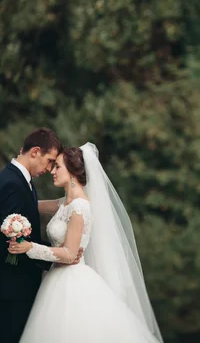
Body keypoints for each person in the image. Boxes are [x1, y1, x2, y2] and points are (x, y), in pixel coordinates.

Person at [9, 143, 163, 342]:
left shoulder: (79, 207)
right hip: (55, 278)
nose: (53, 171)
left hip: (72, 281)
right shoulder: (64, 203)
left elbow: (70, 254)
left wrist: (30, 248)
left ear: (72, 172)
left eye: (58, 167)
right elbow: (33, 206)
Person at [0, 128, 83, 343]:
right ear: (35, 152)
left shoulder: (18, 179)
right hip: (13, 287)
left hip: (17, 286)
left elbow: (30, 212)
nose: (50, 168)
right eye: (50, 161)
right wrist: (61, 256)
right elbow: (13, 242)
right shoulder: (12, 184)